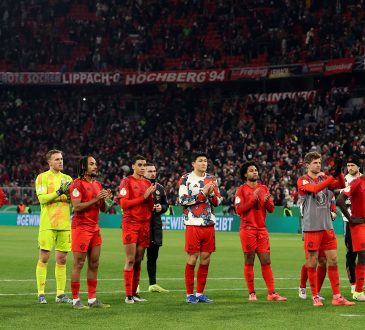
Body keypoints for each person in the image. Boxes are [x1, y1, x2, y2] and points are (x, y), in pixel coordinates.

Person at [297, 151, 354, 306]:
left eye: (319, 161)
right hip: (312, 227)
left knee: (333, 260)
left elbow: (341, 185)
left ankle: (337, 297)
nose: (318, 164)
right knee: (313, 261)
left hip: (327, 227)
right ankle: (315, 296)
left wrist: (339, 171)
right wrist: (330, 178)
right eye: (315, 162)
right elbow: (314, 189)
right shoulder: (302, 180)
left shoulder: (324, 178)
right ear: (307, 165)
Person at [234, 161, 287, 302]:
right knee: (249, 261)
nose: (254, 172)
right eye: (251, 170)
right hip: (248, 229)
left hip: (262, 229)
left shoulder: (264, 188)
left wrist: (268, 201)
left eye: (256, 170)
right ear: (245, 174)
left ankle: (272, 293)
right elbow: (238, 209)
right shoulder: (241, 190)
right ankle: (252, 293)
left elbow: (271, 209)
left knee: (266, 260)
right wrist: (252, 200)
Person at [178, 152, 222, 304]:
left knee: (205, 259)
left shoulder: (212, 179)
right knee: (192, 258)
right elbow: (183, 200)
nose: (204, 163)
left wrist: (210, 194)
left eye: (205, 161)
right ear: (193, 163)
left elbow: (218, 202)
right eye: (201, 161)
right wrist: (203, 193)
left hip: (208, 223)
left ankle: (200, 293)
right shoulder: (185, 178)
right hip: (192, 223)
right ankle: (189, 294)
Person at [70, 155, 112, 309]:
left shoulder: (97, 184)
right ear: (83, 167)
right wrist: (96, 198)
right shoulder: (76, 184)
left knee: (94, 263)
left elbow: (103, 208)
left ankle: (92, 299)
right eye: (92, 164)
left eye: (96, 164)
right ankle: (75, 300)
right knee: (79, 263)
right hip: (81, 228)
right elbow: (77, 207)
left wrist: (106, 199)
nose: (95, 166)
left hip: (95, 228)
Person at [35, 149, 73, 304]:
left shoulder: (68, 178)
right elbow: (42, 199)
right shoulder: (42, 177)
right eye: (57, 159)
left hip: (64, 223)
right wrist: (59, 192)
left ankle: (60, 294)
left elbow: (71, 199)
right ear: (49, 162)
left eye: (61, 159)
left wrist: (70, 195)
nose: (60, 161)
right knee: (44, 257)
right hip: (48, 223)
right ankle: (41, 293)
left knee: (62, 259)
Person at [119, 155, 156, 304]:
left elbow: (150, 206)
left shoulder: (147, 182)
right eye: (139, 165)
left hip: (144, 224)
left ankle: (134, 293)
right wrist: (144, 196)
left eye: (144, 165)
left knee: (139, 260)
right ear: (133, 166)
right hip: (131, 223)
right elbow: (124, 204)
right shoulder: (126, 182)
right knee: (130, 259)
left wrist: (150, 197)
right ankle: (128, 295)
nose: (142, 167)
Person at [298, 191, 337, 300]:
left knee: (323, 261)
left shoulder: (329, 192)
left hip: (324, 229)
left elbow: (333, 209)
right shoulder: (308, 191)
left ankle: (317, 292)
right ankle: (302, 286)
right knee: (311, 261)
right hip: (310, 228)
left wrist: (331, 213)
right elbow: (302, 209)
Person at [337, 170, 365, 301]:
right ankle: (358, 291)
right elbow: (340, 199)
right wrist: (350, 218)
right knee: (363, 255)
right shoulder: (356, 183)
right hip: (359, 225)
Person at [144, 163, 169, 293]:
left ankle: (152, 284)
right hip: (143, 225)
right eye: (150, 171)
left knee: (153, 257)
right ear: (144, 171)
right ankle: (134, 285)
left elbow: (166, 204)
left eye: (154, 171)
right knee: (137, 257)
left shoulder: (160, 188)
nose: (153, 173)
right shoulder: (140, 186)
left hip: (156, 226)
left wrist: (161, 208)